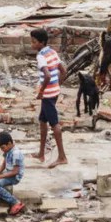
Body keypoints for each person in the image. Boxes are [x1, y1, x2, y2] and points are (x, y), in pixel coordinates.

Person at [30, 28, 67, 168]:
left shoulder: (40, 56)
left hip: (47, 95)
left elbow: (47, 75)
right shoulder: (52, 51)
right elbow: (63, 71)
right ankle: (41, 153)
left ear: (41, 42)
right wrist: (57, 85)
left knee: (54, 124)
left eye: (34, 42)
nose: (32, 44)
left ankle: (62, 156)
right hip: (54, 92)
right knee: (42, 120)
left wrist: (41, 92)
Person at [0, 131, 26, 216]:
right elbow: (4, 163)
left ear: (9, 143)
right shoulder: (8, 150)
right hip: (8, 172)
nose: (2, 150)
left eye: (3, 147)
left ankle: (15, 202)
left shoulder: (16, 153)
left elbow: (15, 172)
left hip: (14, 177)